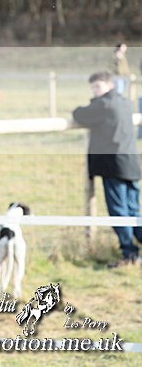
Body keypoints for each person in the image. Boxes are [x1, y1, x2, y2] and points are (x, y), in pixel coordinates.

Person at [72, 71, 142, 267]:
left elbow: (79, 114)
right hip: (130, 163)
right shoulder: (125, 102)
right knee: (134, 209)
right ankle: (133, 252)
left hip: (114, 166)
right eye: (93, 88)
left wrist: (90, 103)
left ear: (109, 85)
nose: (94, 92)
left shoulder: (103, 105)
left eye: (97, 87)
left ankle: (129, 254)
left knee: (119, 211)